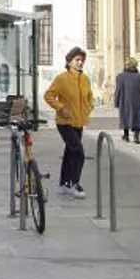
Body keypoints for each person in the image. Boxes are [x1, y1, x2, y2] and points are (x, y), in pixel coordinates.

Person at [44, 47, 94, 200]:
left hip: (79, 121)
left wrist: (88, 108)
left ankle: (64, 183)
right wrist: (61, 107)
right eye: (77, 60)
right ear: (69, 61)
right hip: (65, 122)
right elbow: (48, 96)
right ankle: (75, 183)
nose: (80, 63)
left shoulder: (85, 79)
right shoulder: (62, 79)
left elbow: (89, 97)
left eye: (81, 60)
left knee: (70, 152)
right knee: (78, 151)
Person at [114, 57, 140, 144]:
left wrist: (116, 102)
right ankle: (136, 137)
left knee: (125, 117)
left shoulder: (120, 77)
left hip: (124, 101)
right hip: (137, 101)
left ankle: (126, 135)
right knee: (137, 118)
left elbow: (118, 90)